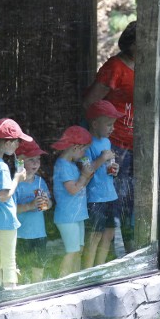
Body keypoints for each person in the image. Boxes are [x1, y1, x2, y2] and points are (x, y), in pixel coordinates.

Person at [83, 21, 136, 253]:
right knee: (118, 197)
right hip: (115, 142)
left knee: (132, 198)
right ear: (133, 44)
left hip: (139, 142)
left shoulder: (149, 65)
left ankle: (131, 248)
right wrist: (98, 136)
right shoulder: (115, 67)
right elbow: (90, 102)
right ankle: (119, 251)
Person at [0, 118, 31, 290]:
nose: (18, 145)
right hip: (5, 220)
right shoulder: (1, 166)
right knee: (9, 260)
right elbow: (4, 195)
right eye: (16, 141)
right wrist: (17, 178)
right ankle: (10, 292)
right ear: (7, 143)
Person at [82, 100, 124, 269]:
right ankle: (88, 271)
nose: (112, 128)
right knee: (94, 236)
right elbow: (86, 172)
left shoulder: (107, 142)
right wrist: (101, 159)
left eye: (113, 124)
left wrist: (114, 168)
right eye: (108, 124)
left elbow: (107, 165)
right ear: (94, 124)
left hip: (110, 194)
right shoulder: (87, 145)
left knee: (109, 233)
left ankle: (100, 268)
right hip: (95, 197)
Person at [51, 126, 94, 278]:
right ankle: (63, 279)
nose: (84, 154)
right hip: (67, 216)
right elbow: (73, 189)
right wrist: (84, 175)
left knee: (79, 249)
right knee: (72, 251)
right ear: (76, 147)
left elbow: (81, 186)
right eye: (83, 150)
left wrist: (87, 175)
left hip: (77, 214)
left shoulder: (71, 165)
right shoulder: (62, 165)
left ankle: (75, 278)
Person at [14, 139, 52, 284]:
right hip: (22, 234)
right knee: (21, 267)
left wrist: (47, 204)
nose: (36, 163)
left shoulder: (40, 181)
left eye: (38, 159)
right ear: (20, 161)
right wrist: (29, 206)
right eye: (31, 160)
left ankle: (37, 288)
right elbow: (10, 209)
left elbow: (49, 203)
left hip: (39, 233)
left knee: (38, 266)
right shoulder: (16, 184)